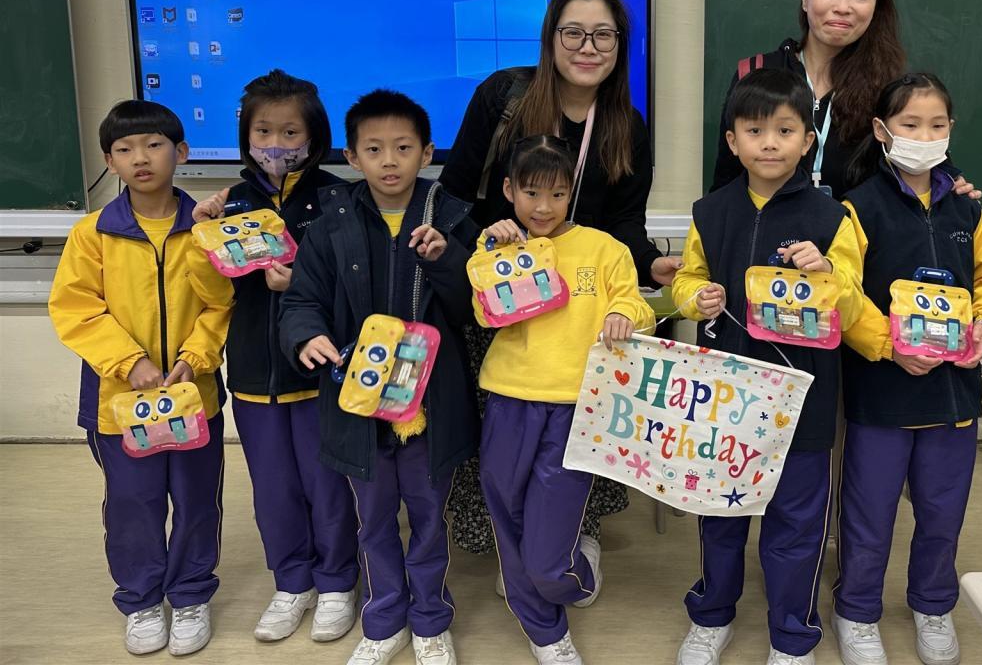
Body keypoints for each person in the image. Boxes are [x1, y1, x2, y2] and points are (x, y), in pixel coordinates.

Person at [438, 0, 680, 553]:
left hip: (580, 311)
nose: (588, 47)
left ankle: (573, 536)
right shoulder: (504, 97)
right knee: (504, 430)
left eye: (603, 35)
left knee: (577, 428)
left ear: (619, 45)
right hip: (506, 303)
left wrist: (652, 265)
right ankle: (507, 541)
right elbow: (454, 196)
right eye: (574, 32)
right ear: (551, 38)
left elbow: (624, 224)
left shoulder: (625, 126)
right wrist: (487, 251)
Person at [278, 90, 479, 665]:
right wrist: (305, 336)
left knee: (428, 518)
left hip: (429, 406)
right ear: (351, 156)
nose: (389, 161)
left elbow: (474, 310)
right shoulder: (330, 224)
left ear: (427, 152)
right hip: (357, 401)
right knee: (373, 520)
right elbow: (302, 299)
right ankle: (384, 619)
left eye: (403, 148)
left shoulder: (453, 218)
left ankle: (431, 620)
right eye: (373, 149)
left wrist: (447, 258)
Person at [671, 68, 864, 665]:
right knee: (719, 515)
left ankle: (793, 636)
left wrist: (826, 276)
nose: (770, 143)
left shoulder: (834, 218)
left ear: (808, 140)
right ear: (733, 141)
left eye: (785, 130)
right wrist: (695, 299)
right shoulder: (710, 212)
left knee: (796, 521)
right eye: (755, 131)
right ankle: (712, 615)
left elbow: (855, 305)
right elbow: (686, 280)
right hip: (724, 394)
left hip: (802, 397)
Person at [832, 73, 982, 665]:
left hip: (951, 395)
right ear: (883, 130)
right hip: (882, 394)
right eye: (910, 124)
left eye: (936, 125)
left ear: (951, 129)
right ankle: (857, 611)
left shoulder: (966, 207)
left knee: (942, 511)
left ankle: (933, 604)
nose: (924, 136)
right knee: (870, 513)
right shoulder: (858, 208)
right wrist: (889, 344)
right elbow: (843, 293)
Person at [48, 100, 232, 657]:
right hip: (118, 404)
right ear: (110, 161)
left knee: (197, 499)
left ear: (182, 152)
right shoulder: (92, 233)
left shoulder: (204, 230)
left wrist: (195, 358)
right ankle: (142, 600)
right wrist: (131, 363)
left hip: (192, 396)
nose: (140, 158)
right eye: (124, 149)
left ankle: (191, 593)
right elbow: (76, 309)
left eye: (154, 145)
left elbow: (221, 304)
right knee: (134, 502)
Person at [187, 70, 359, 644]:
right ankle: (291, 582)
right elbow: (213, 295)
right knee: (273, 487)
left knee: (326, 485)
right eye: (264, 131)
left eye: (290, 132)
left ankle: (336, 582)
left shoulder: (339, 198)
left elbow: (354, 285)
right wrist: (202, 240)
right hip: (254, 374)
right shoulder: (230, 203)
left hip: (318, 373)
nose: (276, 144)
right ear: (245, 136)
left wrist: (303, 280)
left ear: (315, 135)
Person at [469, 135, 655, 665]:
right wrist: (495, 251)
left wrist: (624, 314)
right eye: (531, 193)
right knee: (506, 511)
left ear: (571, 192)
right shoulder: (498, 246)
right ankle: (546, 631)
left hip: (577, 405)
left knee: (548, 547)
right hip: (508, 399)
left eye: (556, 194)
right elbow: (484, 314)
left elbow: (637, 305)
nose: (544, 207)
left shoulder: (604, 248)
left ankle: (571, 575)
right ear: (509, 190)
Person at [710, 0, 980, 202]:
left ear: (876, 7)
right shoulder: (754, 73)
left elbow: (930, 166)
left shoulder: (893, 87)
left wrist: (950, 184)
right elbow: (727, 182)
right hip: (772, 232)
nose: (842, 7)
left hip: (861, 231)